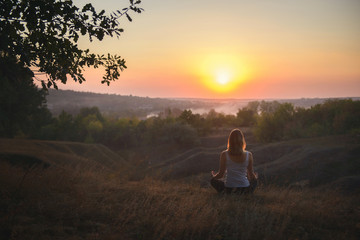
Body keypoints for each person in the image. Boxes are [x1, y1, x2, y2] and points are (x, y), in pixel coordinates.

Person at [211, 128, 258, 194]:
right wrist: (255, 177)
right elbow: (251, 175)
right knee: (255, 181)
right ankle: (244, 194)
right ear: (242, 140)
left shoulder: (224, 154)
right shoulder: (249, 155)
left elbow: (221, 175)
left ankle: (226, 193)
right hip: (245, 190)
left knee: (213, 181)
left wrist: (214, 176)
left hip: (229, 189)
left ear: (230, 140)